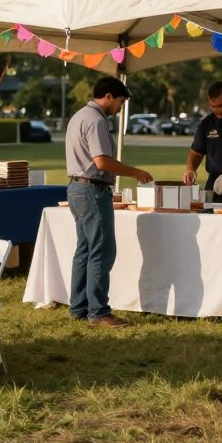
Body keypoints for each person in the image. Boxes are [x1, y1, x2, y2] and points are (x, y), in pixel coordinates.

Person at [66, 77, 153, 328]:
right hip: (92, 189)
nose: (120, 107)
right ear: (108, 97)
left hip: (77, 187)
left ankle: (79, 307)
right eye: (120, 101)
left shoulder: (79, 116)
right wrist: (135, 172)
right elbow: (102, 161)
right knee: (101, 251)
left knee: (85, 249)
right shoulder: (96, 120)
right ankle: (98, 311)